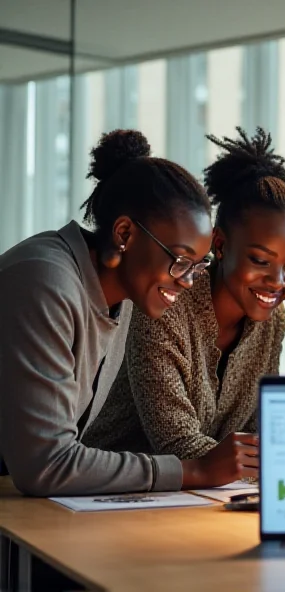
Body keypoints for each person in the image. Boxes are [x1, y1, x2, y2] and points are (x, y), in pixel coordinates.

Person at [0, 130, 258, 496]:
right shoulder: (45, 283)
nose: (187, 282)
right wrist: (193, 471)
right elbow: (45, 464)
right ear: (124, 234)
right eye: (181, 261)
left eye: (199, 267)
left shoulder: (122, 299)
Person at [84, 128, 285, 460]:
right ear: (219, 244)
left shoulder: (273, 320)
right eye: (260, 260)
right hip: (112, 488)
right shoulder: (165, 302)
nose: (277, 282)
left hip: (203, 497)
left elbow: (261, 434)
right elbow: (177, 444)